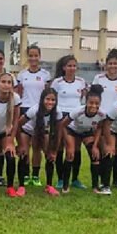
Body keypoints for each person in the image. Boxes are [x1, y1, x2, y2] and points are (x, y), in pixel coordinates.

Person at [91, 49, 117, 189]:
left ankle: (116, 179)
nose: (113, 66)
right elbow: (94, 97)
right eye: (110, 63)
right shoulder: (98, 79)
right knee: (103, 148)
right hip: (101, 118)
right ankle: (103, 178)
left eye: (115, 63)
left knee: (115, 149)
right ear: (106, 65)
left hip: (114, 120)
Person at [16, 45, 52, 187]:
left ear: (39, 56)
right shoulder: (22, 75)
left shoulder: (45, 75)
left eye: (36, 55)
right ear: (27, 57)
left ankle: (35, 176)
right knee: (25, 146)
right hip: (25, 110)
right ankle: (25, 175)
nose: (33, 58)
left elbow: (48, 94)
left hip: (40, 111)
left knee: (37, 147)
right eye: (30, 55)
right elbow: (18, 94)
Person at [16, 88, 63, 196]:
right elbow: (18, 124)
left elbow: (58, 132)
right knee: (23, 153)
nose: (50, 102)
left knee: (49, 155)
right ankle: (21, 186)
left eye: (53, 100)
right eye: (47, 99)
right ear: (42, 99)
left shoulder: (58, 112)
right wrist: (20, 144)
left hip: (41, 131)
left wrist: (54, 150)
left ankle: (49, 186)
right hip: (26, 130)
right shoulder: (34, 110)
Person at [61, 85, 107, 194]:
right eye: (91, 103)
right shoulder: (78, 111)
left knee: (95, 156)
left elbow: (99, 128)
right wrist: (68, 144)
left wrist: (95, 146)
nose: (94, 106)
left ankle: (95, 187)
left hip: (87, 132)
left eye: (97, 103)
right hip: (72, 131)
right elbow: (63, 125)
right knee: (71, 154)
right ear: (86, 102)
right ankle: (65, 185)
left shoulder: (102, 114)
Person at [50, 55, 87, 189]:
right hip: (61, 116)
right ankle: (61, 178)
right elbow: (52, 98)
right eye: (69, 66)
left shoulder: (81, 82)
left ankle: (75, 179)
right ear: (64, 67)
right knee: (60, 146)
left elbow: (82, 98)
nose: (72, 68)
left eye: (74, 66)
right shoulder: (57, 82)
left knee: (76, 148)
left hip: (76, 117)